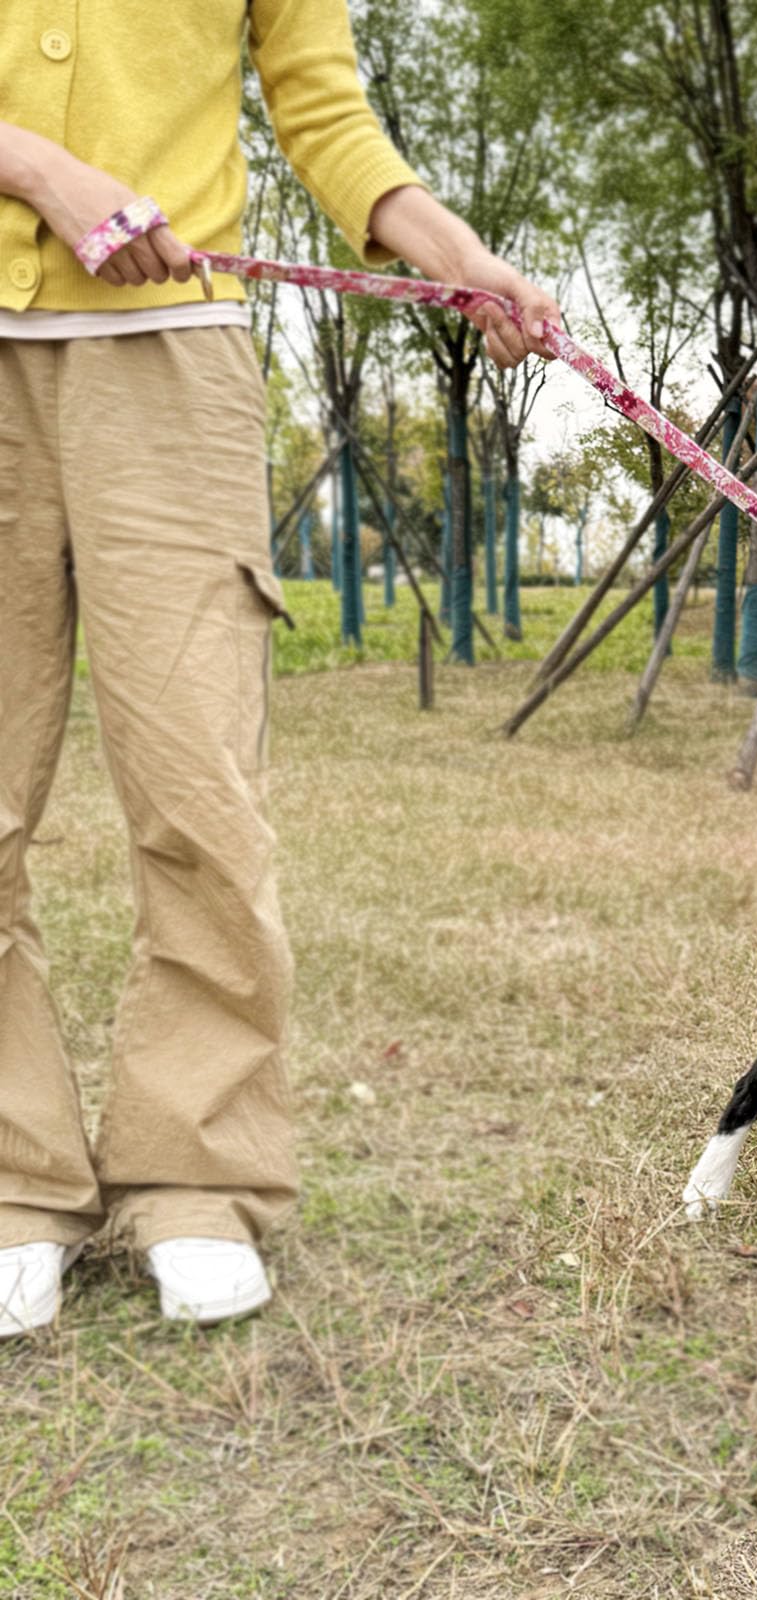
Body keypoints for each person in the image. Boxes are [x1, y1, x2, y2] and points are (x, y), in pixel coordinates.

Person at [0, 0, 559, 1332]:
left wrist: (460, 255)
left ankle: (197, 1178)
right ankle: (13, 1181)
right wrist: (38, 170)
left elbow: (322, 107)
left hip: (175, 356)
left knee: (200, 793)